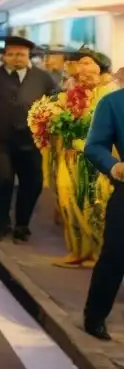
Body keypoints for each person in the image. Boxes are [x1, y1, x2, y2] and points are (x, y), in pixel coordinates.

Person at [0, 36, 56, 241]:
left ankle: (22, 224)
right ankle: (1, 224)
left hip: (32, 142)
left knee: (32, 183)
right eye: (11, 54)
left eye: (21, 54)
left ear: (28, 56)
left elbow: (56, 103)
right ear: (4, 56)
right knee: (2, 181)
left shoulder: (43, 78)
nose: (16, 58)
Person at [82, 87, 124, 340]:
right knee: (115, 256)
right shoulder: (114, 102)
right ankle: (95, 316)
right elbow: (94, 146)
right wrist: (114, 166)